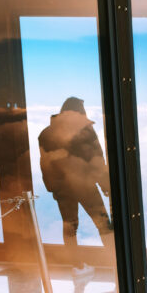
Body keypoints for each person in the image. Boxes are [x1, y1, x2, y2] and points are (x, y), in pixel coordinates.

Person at [38, 96, 113, 275]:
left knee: (69, 226)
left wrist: (52, 187)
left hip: (62, 188)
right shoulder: (86, 131)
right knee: (103, 224)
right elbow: (97, 160)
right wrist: (105, 185)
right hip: (85, 185)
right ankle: (115, 262)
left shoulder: (45, 133)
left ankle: (77, 267)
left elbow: (45, 163)